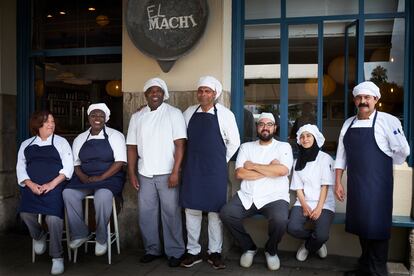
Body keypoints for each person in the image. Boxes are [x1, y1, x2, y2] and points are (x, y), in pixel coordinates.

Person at [334, 81, 410, 276]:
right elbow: (341, 156)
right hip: (357, 184)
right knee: (361, 226)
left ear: (375, 99)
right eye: (359, 97)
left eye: (367, 97)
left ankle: (377, 271)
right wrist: (337, 183)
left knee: (376, 227)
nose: (363, 101)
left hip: (378, 186)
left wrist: (386, 162)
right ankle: (366, 267)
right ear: (354, 100)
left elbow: (403, 150)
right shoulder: (348, 123)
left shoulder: (387, 121)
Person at [179, 76, 240, 269]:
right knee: (191, 209)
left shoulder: (225, 114)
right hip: (193, 167)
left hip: (215, 169)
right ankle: (193, 251)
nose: (203, 94)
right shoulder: (189, 112)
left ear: (215, 94)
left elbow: (234, 142)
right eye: (201, 90)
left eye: (207, 91)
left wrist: (220, 160)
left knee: (215, 211)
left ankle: (215, 252)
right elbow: (180, 137)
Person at [220, 112, 293, 271]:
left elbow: (282, 171)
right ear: (257, 128)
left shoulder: (283, 146)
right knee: (226, 213)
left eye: (269, 124)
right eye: (261, 124)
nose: (265, 127)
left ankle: (271, 250)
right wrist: (270, 168)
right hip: (248, 195)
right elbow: (239, 174)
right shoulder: (246, 147)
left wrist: (253, 166)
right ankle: (249, 247)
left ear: (275, 127)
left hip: (275, 197)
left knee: (280, 220)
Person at [126, 78, 186, 267]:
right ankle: (152, 249)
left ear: (164, 94)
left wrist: (176, 172)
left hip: (168, 172)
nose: (154, 94)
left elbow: (180, 145)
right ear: (145, 95)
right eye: (151, 91)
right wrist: (132, 173)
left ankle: (175, 252)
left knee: (171, 214)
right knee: (147, 214)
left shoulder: (174, 114)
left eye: (158, 91)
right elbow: (132, 147)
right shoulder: (138, 116)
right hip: (145, 173)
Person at [63, 103, 126, 257]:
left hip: (110, 178)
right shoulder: (80, 138)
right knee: (68, 193)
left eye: (101, 115)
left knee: (102, 196)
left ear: (106, 118)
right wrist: (83, 177)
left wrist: (101, 177)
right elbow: (76, 163)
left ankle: (101, 237)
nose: (97, 118)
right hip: (85, 178)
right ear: (88, 118)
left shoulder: (115, 135)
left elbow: (120, 162)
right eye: (93, 115)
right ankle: (80, 233)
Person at [16, 111, 74, 275]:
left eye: (52, 121)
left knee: (54, 219)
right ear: (37, 125)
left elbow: (68, 166)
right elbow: (20, 167)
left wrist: (52, 184)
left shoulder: (61, 142)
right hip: (32, 187)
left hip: (55, 187)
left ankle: (57, 257)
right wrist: (30, 184)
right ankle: (39, 234)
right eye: (47, 122)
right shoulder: (26, 144)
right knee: (25, 213)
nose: (51, 124)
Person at [287, 124, 335, 262]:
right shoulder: (298, 161)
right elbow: (298, 188)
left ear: (315, 138)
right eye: (302, 136)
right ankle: (314, 242)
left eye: (308, 136)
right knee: (292, 228)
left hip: (324, 203)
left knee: (322, 236)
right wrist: (304, 205)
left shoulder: (325, 159)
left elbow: (325, 186)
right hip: (304, 201)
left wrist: (319, 208)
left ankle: (308, 246)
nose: (305, 139)